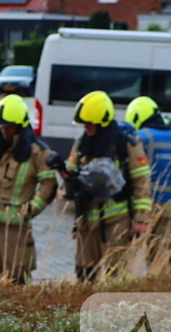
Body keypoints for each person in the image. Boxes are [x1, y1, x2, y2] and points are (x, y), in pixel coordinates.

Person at [63, 90, 152, 281]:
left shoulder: (126, 144)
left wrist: (141, 220)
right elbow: (71, 178)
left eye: (89, 124)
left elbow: (142, 183)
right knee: (84, 275)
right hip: (86, 221)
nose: (86, 127)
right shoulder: (81, 144)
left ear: (102, 121)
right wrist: (65, 175)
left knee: (116, 276)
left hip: (117, 220)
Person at [0, 94, 58, 284]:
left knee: (17, 278)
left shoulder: (37, 152)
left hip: (15, 230)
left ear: (20, 125)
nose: (4, 131)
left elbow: (49, 184)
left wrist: (31, 210)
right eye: (2, 126)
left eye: (9, 127)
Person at [125, 96, 171, 274]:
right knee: (162, 259)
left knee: (124, 258)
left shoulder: (139, 138)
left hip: (141, 208)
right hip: (169, 208)